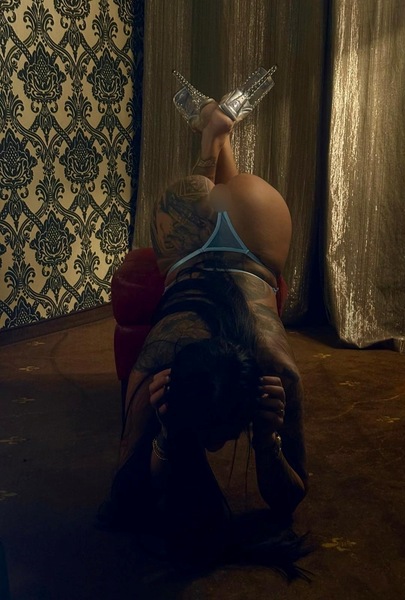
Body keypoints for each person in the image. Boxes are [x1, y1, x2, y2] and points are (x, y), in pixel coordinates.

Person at [104, 67, 308, 571]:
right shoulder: (273, 369)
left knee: (211, 193)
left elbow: (126, 497)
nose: (217, 446)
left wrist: (170, 438)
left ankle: (213, 136)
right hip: (209, 242)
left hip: (251, 234)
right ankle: (213, 135)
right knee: (208, 194)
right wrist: (267, 442)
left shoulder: (159, 364)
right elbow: (287, 501)